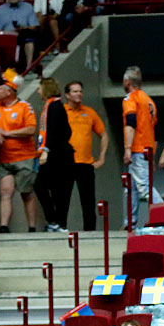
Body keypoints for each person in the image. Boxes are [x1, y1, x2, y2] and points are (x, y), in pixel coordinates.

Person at [0, 76, 39, 233]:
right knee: (5, 192)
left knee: (26, 193)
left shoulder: (24, 107)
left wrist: (7, 133)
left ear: (9, 92)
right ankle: (4, 226)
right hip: (5, 159)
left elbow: (30, 129)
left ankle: (32, 227)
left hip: (24, 157)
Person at [49, 80, 107, 232]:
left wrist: (101, 158)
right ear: (67, 95)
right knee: (62, 199)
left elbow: (104, 134)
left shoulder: (89, 112)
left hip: (86, 163)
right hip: (65, 162)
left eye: (80, 91)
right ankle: (61, 228)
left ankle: (90, 232)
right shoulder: (61, 111)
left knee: (88, 201)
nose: (79, 94)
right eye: (75, 91)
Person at [121, 66, 159, 225]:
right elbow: (154, 129)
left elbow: (130, 123)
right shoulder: (149, 100)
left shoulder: (131, 98)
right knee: (131, 188)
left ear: (127, 81)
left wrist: (128, 148)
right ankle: (130, 222)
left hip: (138, 149)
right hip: (148, 149)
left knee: (145, 188)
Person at [0, 0, 40, 71]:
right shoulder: (0, 9)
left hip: (24, 33)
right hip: (8, 36)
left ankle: (29, 66)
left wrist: (23, 28)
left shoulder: (28, 7)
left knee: (29, 36)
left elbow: (34, 26)